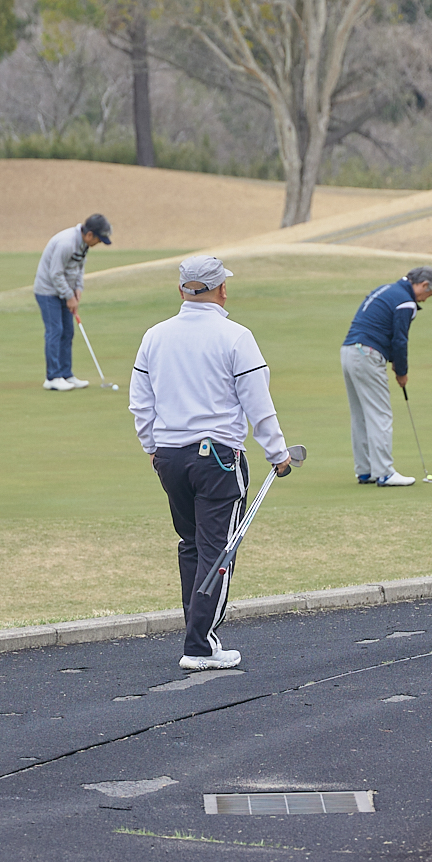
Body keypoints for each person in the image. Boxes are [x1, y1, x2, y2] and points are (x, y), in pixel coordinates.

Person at [130, 255, 295, 671]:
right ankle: (200, 644)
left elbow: (140, 400)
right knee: (217, 551)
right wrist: (278, 454)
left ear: (182, 290)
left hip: (169, 457)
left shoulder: (155, 335)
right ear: (221, 289)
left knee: (192, 546)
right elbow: (258, 404)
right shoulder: (236, 336)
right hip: (219, 458)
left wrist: (152, 446)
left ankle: (198, 634)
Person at [340, 267, 432, 487]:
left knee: (361, 414)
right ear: (423, 285)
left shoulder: (387, 289)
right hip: (367, 353)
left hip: (348, 351)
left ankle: (365, 470)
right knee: (380, 414)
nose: (426, 299)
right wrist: (402, 372)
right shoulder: (405, 302)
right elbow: (400, 340)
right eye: (428, 294)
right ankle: (385, 473)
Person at [34, 214, 111, 391]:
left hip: (63, 290)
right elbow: (55, 274)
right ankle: (52, 377)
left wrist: (78, 290)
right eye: (99, 239)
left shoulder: (83, 244)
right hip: (47, 291)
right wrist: (69, 296)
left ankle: (66, 374)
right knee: (55, 330)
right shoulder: (66, 243)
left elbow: (79, 267)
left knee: (67, 331)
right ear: (90, 234)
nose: (99, 242)